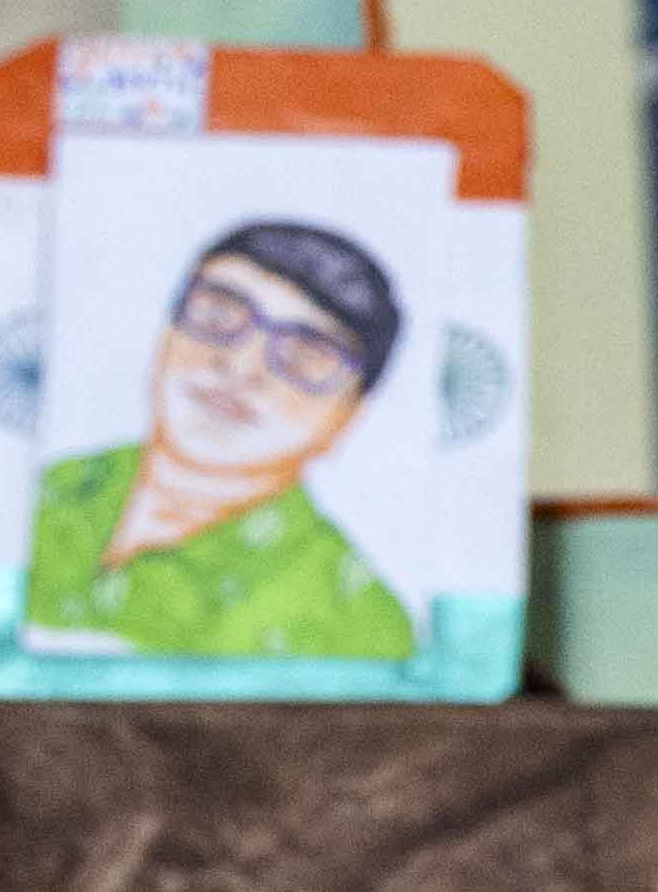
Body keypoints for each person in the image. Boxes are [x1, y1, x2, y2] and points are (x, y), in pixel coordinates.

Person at [30, 219, 418, 662]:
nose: (241, 366)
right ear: (166, 333)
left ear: (347, 419)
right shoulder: (39, 492)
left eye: (306, 355)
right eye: (219, 316)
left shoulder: (358, 623)